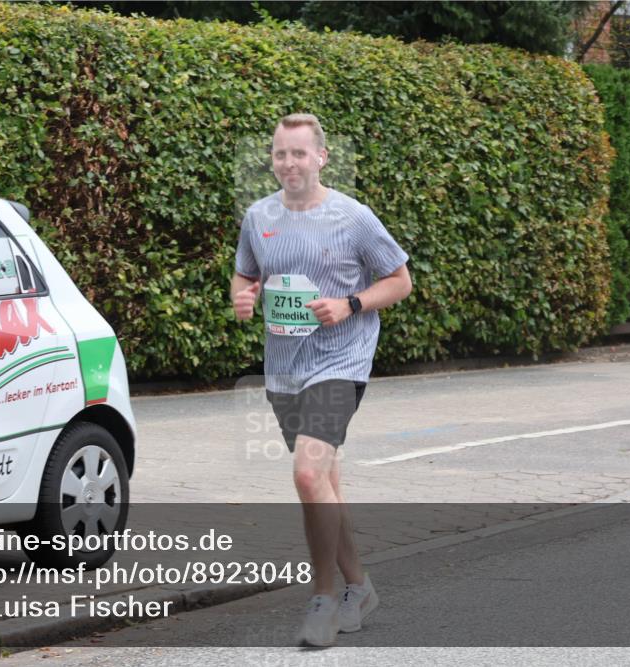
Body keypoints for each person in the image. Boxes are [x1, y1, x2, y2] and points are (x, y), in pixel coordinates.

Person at [230, 113, 412, 646]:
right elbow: (247, 272)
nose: (289, 163)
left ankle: (324, 599)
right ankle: (361, 585)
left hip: (342, 359)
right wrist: (243, 295)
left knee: (308, 475)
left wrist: (350, 303)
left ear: (321, 158)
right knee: (324, 482)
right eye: (280, 154)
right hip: (284, 367)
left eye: (299, 153)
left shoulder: (352, 217)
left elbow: (399, 281)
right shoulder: (258, 216)